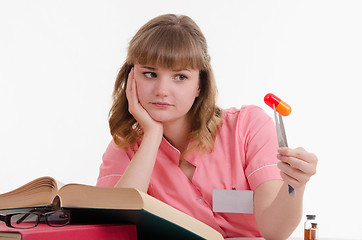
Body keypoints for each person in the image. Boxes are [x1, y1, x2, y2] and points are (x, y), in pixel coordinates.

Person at [96, 14, 318, 239]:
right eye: (150, 74)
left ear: (200, 85)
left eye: (180, 77)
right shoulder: (124, 148)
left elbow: (274, 232)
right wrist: (153, 134)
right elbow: (115, 227)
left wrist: (295, 186)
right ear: (131, 78)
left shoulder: (248, 127)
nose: (162, 90)